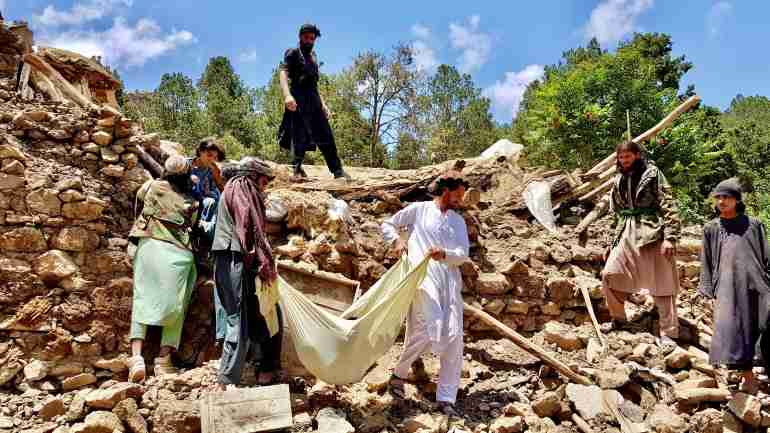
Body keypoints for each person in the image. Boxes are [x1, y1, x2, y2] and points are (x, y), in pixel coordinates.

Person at [381, 170, 471, 416]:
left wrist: (445, 254)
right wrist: (397, 242)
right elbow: (388, 224)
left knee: (453, 336)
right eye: (458, 195)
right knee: (430, 326)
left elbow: (463, 253)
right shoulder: (419, 210)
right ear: (445, 191)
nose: (460, 200)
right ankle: (399, 375)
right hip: (423, 277)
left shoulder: (458, 221)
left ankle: (446, 398)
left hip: (450, 281)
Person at [600, 140, 681, 353]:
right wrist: (611, 241)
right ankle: (619, 319)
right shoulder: (617, 179)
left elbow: (669, 204)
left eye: (628, 156)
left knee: (662, 282)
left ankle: (669, 332)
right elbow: (613, 213)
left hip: (652, 231)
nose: (624, 160)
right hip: (625, 231)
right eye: (621, 157)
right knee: (609, 274)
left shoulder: (653, 174)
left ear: (637, 155)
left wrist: (670, 237)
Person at [211, 158, 283, 391]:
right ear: (253, 175)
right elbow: (248, 227)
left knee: (259, 315)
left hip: (227, 257)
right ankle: (226, 380)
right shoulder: (243, 186)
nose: (263, 187)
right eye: (263, 181)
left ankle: (262, 371)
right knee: (240, 319)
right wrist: (262, 262)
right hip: (237, 259)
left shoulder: (231, 187)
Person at [126, 156, 199, 382]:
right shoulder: (191, 201)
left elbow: (138, 205)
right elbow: (193, 225)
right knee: (177, 303)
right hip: (178, 253)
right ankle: (163, 359)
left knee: (141, 298)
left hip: (147, 246)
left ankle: (136, 358)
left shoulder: (150, 187)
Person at [699, 178, 770, 393]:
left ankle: (762, 368)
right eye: (718, 197)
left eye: (726, 197)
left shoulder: (754, 224)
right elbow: (707, 260)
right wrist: (707, 287)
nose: (722, 201)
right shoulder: (711, 228)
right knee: (734, 329)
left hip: (757, 283)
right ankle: (747, 375)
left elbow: (766, 254)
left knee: (763, 323)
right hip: (728, 285)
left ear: (737, 200)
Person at [277, 23, 350, 181]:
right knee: (298, 135)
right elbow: (283, 72)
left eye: (312, 38)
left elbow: (314, 85)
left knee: (326, 135)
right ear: (300, 37)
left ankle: (338, 171)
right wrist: (287, 95)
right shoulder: (293, 52)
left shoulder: (313, 57)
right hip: (298, 98)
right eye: (306, 37)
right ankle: (296, 171)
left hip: (314, 100)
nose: (309, 40)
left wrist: (323, 105)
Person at [188, 137, 227, 346]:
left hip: (210, 198)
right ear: (200, 151)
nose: (211, 159)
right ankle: (208, 234)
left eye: (214, 156)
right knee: (212, 202)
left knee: (217, 200)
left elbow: (221, 186)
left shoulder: (212, 168)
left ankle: (215, 234)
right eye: (208, 155)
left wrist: (216, 173)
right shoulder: (188, 165)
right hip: (197, 199)